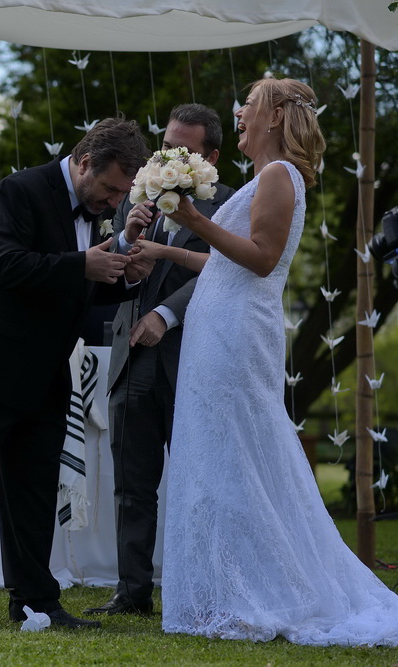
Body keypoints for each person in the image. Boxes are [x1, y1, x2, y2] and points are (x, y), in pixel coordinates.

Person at [140, 77, 398, 645]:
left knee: (239, 456)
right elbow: (224, 264)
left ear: (276, 117)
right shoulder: (264, 178)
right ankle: (234, 590)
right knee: (218, 453)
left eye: (248, 106)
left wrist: (193, 219)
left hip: (236, 334)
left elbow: (261, 260)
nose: (238, 113)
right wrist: (165, 250)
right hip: (217, 325)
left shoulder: (280, 177)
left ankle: (259, 593)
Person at [0, 118, 153, 630]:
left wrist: (122, 277)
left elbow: (78, 288)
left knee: (35, 491)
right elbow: (5, 265)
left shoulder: (96, 210)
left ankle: (35, 601)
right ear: (84, 161)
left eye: (122, 193)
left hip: (47, 371)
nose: (115, 202)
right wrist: (84, 265)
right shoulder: (18, 189)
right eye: (110, 188)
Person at [84, 104, 235, 617]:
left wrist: (167, 316)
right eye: (168, 146)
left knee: (199, 483)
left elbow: (222, 274)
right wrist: (127, 241)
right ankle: (131, 593)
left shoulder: (230, 207)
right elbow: (111, 265)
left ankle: (203, 589)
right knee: (131, 484)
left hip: (193, 361)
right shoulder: (136, 199)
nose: (174, 158)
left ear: (211, 157)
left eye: (187, 151)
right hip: (130, 357)